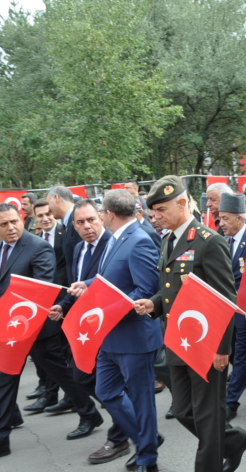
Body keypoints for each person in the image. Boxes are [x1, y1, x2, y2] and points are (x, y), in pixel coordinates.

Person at [0, 204, 101, 466]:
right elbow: (4, 282)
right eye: (3, 224)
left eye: (14, 221)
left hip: (36, 329)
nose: (10, 228)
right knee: (3, 381)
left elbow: (44, 287)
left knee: (62, 374)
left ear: (22, 220)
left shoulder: (38, 247)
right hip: (9, 328)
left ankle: (90, 413)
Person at [135, 176, 246, 472]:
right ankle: (235, 440)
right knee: (183, 411)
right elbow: (173, 290)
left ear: (181, 203)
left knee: (207, 417)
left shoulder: (208, 241)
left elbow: (225, 298)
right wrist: (154, 303)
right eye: (153, 211)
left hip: (206, 344)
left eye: (161, 210)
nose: (156, 217)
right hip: (178, 341)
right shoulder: (168, 240)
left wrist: (222, 348)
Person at [66, 190, 161, 472]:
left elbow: (145, 291)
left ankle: (148, 458)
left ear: (108, 214)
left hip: (134, 336)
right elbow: (109, 278)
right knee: (106, 392)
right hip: (110, 336)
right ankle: (147, 438)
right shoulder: (116, 238)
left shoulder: (139, 240)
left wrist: (104, 312)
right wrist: (87, 284)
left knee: (142, 401)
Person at [48, 198, 133, 466]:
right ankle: (136, 425)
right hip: (85, 328)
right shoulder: (77, 248)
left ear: (102, 218)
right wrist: (62, 306)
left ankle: (121, 437)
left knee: (108, 385)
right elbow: (75, 287)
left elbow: (116, 286)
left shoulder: (114, 244)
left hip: (110, 325)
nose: (87, 226)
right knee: (83, 378)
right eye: (80, 222)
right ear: (73, 226)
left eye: (91, 220)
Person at [24, 198, 72, 415]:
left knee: (64, 350)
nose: (45, 219)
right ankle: (50, 393)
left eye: (48, 214)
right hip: (43, 303)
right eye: (40, 216)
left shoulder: (66, 234)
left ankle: (71, 396)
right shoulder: (35, 241)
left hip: (64, 301)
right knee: (50, 352)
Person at [218, 193, 246, 422]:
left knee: (242, 355)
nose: (221, 223)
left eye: (225, 218)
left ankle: (231, 402)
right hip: (229, 309)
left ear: (239, 218)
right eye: (219, 218)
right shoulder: (224, 241)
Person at [46, 185, 82, 285]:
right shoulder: (67, 223)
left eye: (48, 203)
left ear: (56, 198)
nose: (48, 209)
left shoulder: (77, 220)